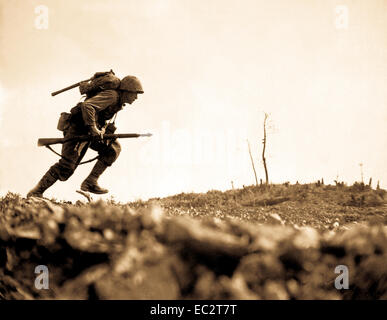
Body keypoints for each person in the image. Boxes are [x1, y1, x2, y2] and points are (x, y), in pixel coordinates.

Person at [27, 75, 144, 198]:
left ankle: (90, 182)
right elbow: (87, 106)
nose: (136, 97)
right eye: (135, 93)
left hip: (89, 131)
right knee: (67, 167)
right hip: (77, 129)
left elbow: (98, 114)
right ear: (127, 90)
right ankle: (36, 192)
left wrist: (101, 129)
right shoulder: (112, 96)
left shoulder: (118, 102)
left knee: (112, 149)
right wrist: (93, 128)